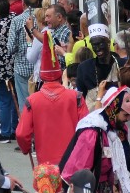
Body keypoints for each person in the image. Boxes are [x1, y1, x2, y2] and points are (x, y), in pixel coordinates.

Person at [16, 32, 85, 165]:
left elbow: (21, 134)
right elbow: (86, 128)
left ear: (41, 77)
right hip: (74, 161)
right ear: (60, 75)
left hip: (46, 164)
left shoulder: (32, 101)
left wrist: (26, 148)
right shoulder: (76, 97)